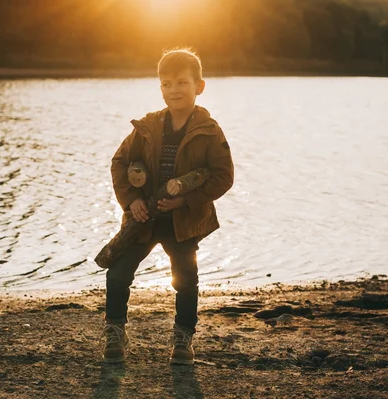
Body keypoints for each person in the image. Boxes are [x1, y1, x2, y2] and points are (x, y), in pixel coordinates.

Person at [102, 48, 234, 365]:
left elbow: (223, 176)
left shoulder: (209, 130)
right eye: (166, 84)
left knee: (185, 280)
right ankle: (115, 335)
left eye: (181, 83)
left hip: (184, 221)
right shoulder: (147, 126)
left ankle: (183, 341)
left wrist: (185, 200)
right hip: (143, 217)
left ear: (199, 86)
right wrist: (131, 201)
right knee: (118, 275)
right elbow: (119, 162)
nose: (173, 90)